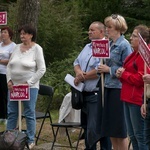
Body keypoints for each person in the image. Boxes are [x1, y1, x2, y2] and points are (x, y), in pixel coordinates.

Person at [6, 24, 46, 149]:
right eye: (21, 34)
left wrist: (29, 83)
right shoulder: (17, 47)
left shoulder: (37, 49)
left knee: (29, 112)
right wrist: (9, 80)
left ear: (31, 35)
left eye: (24, 33)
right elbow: (9, 66)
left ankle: (30, 139)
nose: (22, 36)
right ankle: (9, 138)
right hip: (14, 87)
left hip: (30, 87)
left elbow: (42, 69)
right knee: (12, 112)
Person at [73, 21, 111, 150]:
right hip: (84, 94)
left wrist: (84, 76)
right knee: (86, 126)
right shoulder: (87, 47)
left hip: (97, 93)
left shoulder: (107, 47)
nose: (89, 32)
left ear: (101, 32)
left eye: (92, 30)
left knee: (94, 129)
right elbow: (76, 62)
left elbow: (100, 69)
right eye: (89, 30)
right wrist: (78, 73)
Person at [97, 14, 132, 150]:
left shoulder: (124, 45)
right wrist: (101, 68)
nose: (107, 29)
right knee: (110, 127)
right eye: (106, 26)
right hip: (107, 87)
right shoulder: (108, 44)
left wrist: (109, 69)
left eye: (109, 27)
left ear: (118, 28)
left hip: (119, 88)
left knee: (119, 128)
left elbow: (127, 68)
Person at [116, 25, 150, 150]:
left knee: (140, 135)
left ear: (143, 39)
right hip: (127, 97)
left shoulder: (144, 55)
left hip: (136, 98)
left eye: (134, 36)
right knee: (133, 135)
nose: (130, 38)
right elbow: (128, 74)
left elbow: (141, 78)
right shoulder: (134, 54)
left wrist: (124, 74)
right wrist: (121, 74)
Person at [0, 26, 16, 124]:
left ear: (9, 34)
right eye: (2, 32)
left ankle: (8, 115)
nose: (3, 34)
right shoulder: (0, 45)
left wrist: (1, 61)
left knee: (6, 94)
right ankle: (1, 115)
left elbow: (11, 60)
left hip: (6, 73)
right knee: (0, 94)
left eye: (5, 32)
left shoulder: (13, 46)